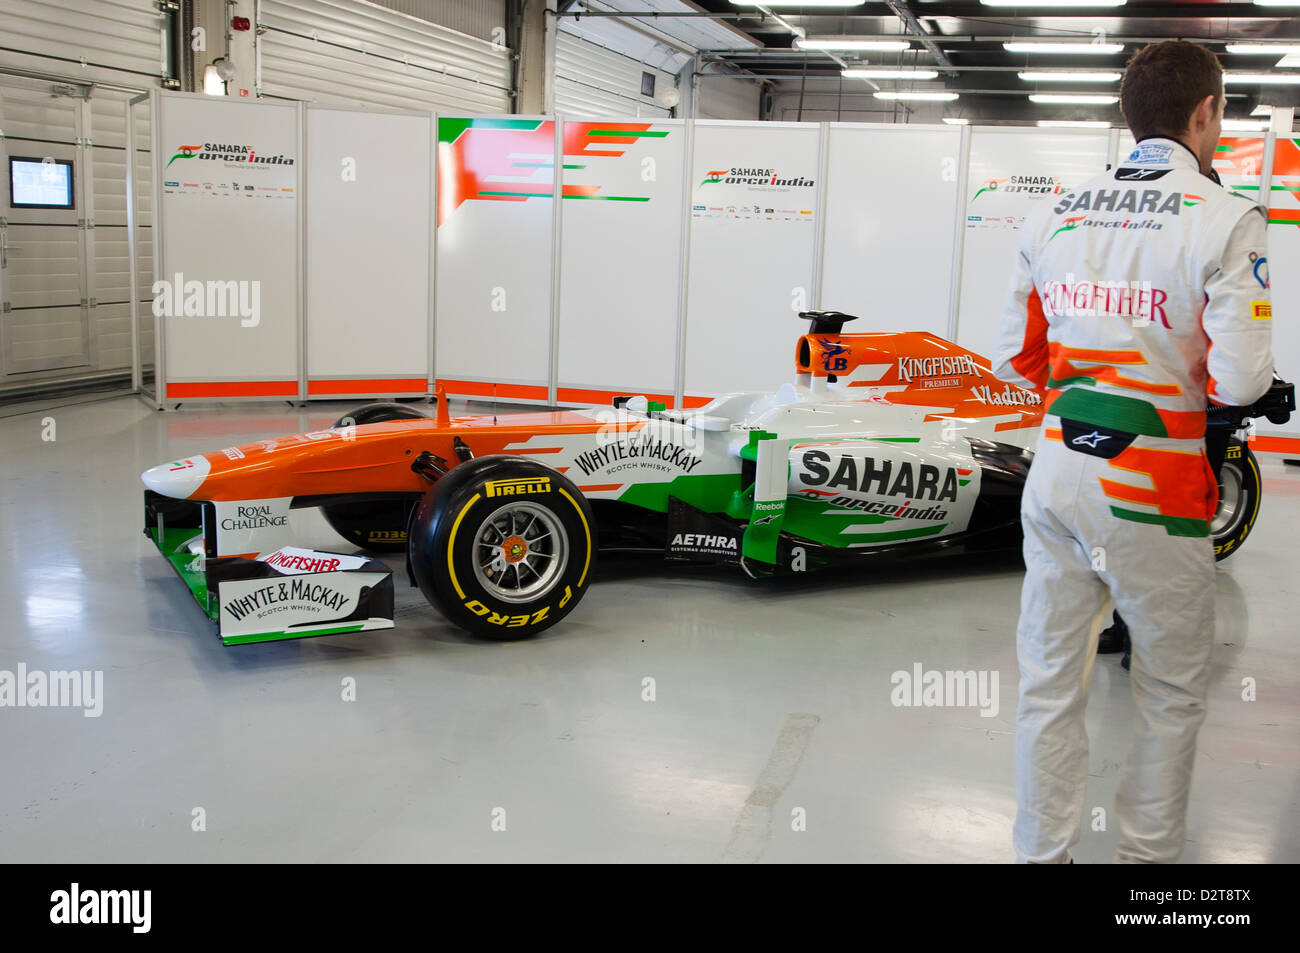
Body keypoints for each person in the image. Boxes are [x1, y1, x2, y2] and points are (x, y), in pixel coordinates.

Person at [992, 39, 1275, 863]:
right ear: (1206, 111)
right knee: (1170, 692)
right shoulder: (1228, 216)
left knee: (1047, 683)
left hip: (1054, 475)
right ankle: (1144, 869)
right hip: (1154, 486)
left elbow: (1016, 353)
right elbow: (1243, 382)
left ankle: (1042, 855)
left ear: (1129, 115)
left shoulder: (1055, 211)